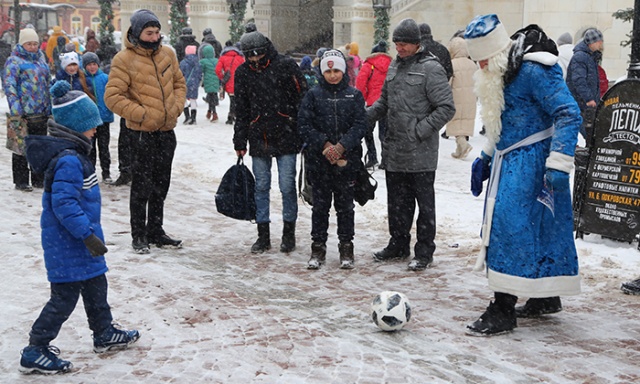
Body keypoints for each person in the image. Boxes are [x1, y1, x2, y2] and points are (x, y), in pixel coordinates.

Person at [463, 15, 582, 336]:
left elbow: (569, 112)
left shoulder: (532, 70)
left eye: (484, 57)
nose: (481, 64)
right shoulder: (499, 72)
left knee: (510, 227)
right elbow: (505, 121)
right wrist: (486, 156)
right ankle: (546, 295)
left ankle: (502, 308)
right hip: (509, 159)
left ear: (498, 50)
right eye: (477, 59)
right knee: (540, 227)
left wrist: (558, 162)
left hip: (535, 162)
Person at [20, 80, 139, 374]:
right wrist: (86, 234)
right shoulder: (69, 160)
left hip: (81, 243)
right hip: (69, 244)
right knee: (64, 298)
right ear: (75, 127)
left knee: (97, 284)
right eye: (90, 124)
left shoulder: (76, 156)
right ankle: (35, 348)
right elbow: (64, 205)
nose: (95, 129)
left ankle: (104, 332)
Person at [367, 18, 455, 271]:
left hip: (421, 152)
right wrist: (363, 117)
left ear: (417, 44)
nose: (400, 48)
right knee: (397, 202)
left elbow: (446, 108)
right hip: (395, 149)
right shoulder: (394, 66)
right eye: (397, 43)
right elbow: (384, 102)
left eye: (404, 43)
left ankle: (424, 251)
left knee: (424, 206)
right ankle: (398, 243)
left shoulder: (431, 69)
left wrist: (420, 130)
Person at [105, 9, 187, 254]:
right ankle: (139, 234)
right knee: (142, 187)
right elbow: (112, 97)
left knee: (161, 185)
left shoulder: (168, 54)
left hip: (166, 132)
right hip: (141, 135)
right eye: (149, 32)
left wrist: (175, 107)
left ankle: (156, 231)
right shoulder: (124, 59)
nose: (154, 37)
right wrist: (141, 114)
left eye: (157, 32)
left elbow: (179, 84)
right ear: (138, 32)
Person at [233, 30, 308, 254]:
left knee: (287, 186)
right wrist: (240, 139)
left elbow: (302, 97)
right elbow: (242, 109)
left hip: (286, 134)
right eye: (250, 56)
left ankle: (288, 233)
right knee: (261, 186)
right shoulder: (243, 73)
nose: (255, 59)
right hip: (259, 135)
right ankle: (263, 235)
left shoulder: (286, 66)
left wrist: (296, 125)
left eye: (258, 54)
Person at [298, 49, 367, 269]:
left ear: (343, 70)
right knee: (320, 207)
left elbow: (360, 125)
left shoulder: (353, 95)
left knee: (345, 207)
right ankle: (318, 248)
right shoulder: (313, 95)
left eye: (337, 70)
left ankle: (346, 247)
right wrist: (325, 145)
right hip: (320, 162)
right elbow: (305, 125)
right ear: (322, 72)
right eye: (328, 71)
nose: (333, 75)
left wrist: (342, 146)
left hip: (347, 162)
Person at [3, 28, 51, 191]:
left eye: (35, 44)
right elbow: (10, 86)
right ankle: (21, 180)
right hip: (22, 113)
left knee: (39, 146)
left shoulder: (41, 60)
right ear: (22, 44)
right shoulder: (14, 61)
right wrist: (16, 108)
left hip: (40, 111)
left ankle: (38, 178)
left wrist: (49, 105)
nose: (32, 47)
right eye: (29, 44)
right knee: (20, 148)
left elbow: (47, 84)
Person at [355, 40, 392, 169]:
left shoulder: (369, 64)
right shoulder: (392, 64)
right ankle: (385, 160)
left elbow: (360, 84)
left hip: (372, 103)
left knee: (367, 131)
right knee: (385, 134)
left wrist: (364, 99)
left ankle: (372, 157)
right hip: (387, 103)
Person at [566, 28, 603, 141]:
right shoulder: (581, 57)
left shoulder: (589, 56)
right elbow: (579, 80)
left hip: (585, 102)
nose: (601, 44)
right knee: (584, 131)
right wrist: (589, 98)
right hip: (581, 102)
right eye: (599, 42)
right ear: (592, 43)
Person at [82, 52, 114, 182]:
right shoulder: (83, 79)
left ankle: (106, 172)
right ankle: (91, 172)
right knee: (90, 148)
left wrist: (109, 108)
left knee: (104, 147)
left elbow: (111, 95)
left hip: (104, 119)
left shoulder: (105, 78)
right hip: (89, 120)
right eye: (89, 65)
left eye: (94, 64)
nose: (92, 67)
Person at [446, 36, 476, 159]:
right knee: (463, 125)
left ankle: (463, 145)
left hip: (456, 98)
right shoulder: (472, 65)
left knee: (455, 123)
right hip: (470, 98)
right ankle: (459, 150)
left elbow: (448, 83)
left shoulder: (452, 64)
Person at [216, 40, 244, 125]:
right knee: (237, 99)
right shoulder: (240, 58)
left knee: (232, 99)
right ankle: (235, 115)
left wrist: (222, 77)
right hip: (239, 81)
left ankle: (231, 116)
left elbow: (217, 70)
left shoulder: (223, 58)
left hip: (228, 82)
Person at [180, 45, 203, 125]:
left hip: (185, 83)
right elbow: (200, 74)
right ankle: (193, 118)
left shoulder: (183, 62)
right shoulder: (198, 63)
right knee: (193, 100)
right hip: (194, 83)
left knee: (184, 100)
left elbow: (180, 74)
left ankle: (187, 117)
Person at [199, 44, 220, 122]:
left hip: (208, 80)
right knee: (213, 95)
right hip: (216, 80)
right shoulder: (217, 60)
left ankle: (214, 113)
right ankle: (210, 111)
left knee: (211, 97)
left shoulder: (203, 61)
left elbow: (201, 70)